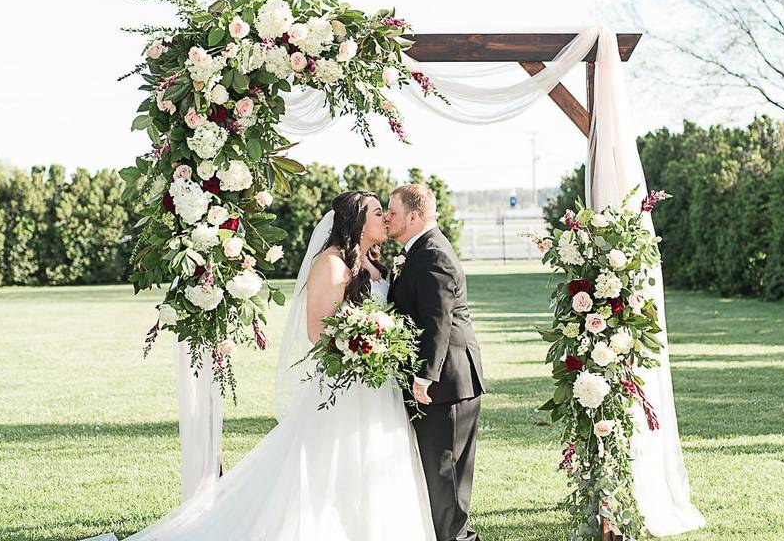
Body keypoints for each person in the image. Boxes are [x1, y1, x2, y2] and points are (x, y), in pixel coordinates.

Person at [85, 190, 435, 541]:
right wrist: (363, 345)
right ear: (357, 221)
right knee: (329, 467)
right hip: (345, 384)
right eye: (378, 213)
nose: (385, 219)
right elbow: (317, 331)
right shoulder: (330, 263)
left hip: (377, 384)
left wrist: (382, 344)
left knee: (372, 465)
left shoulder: (374, 264)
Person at [386, 184, 486, 541]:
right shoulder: (418, 252)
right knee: (442, 476)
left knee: (445, 477)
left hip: (447, 382)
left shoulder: (433, 255)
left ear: (414, 217)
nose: (387, 218)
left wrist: (425, 377)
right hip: (445, 380)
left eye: (393, 213)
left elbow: (438, 321)